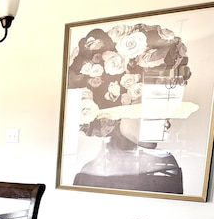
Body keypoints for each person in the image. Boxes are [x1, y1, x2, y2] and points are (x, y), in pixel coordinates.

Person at [66, 23, 198, 193]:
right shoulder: (85, 176)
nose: (166, 124)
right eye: (153, 110)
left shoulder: (165, 168)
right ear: (116, 111)